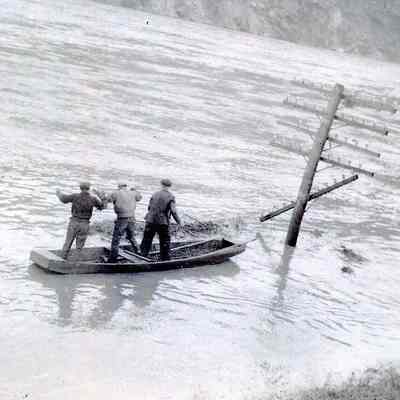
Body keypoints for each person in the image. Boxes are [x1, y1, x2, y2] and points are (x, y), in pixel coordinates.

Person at [56, 182, 105, 260]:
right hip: (84, 224)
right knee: (79, 246)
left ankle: (61, 260)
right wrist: (100, 195)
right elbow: (102, 206)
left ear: (80, 188)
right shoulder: (93, 198)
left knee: (67, 243)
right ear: (89, 189)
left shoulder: (75, 196)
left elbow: (63, 199)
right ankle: (75, 263)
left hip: (73, 222)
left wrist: (58, 192)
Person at [140, 178, 181, 261]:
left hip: (150, 220)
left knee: (146, 240)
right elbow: (173, 211)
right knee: (165, 241)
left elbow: (149, 207)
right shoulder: (170, 196)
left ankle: (142, 257)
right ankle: (165, 259)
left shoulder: (155, 194)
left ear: (161, 185)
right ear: (170, 186)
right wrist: (179, 222)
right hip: (162, 222)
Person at [106, 183, 142, 263]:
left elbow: (108, 200)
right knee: (131, 236)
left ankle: (112, 259)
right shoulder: (133, 192)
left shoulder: (116, 193)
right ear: (126, 187)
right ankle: (138, 251)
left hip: (122, 218)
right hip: (132, 218)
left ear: (119, 187)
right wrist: (135, 190)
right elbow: (139, 198)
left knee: (116, 239)